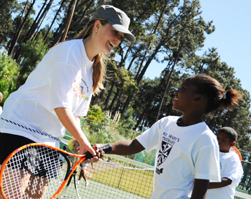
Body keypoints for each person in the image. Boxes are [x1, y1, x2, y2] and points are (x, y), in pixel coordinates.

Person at [0, 5, 135, 199]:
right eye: (115, 31)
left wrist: (80, 143)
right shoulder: (69, 53)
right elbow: (60, 106)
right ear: (98, 25)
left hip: (49, 138)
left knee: (35, 196)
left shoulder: (92, 70)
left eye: (122, 37)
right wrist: (85, 143)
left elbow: (75, 115)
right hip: (21, 126)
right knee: (14, 195)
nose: (118, 40)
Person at [94, 74, 242, 199]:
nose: (176, 91)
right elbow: (134, 145)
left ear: (198, 98)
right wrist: (102, 147)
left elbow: (201, 189)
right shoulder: (166, 123)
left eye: (183, 89)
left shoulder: (205, 138)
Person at [206, 127, 244, 199]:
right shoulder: (210, 153)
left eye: (223, 140)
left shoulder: (233, 159)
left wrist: (203, 185)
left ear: (232, 143)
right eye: (218, 138)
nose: (218, 141)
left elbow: (227, 181)